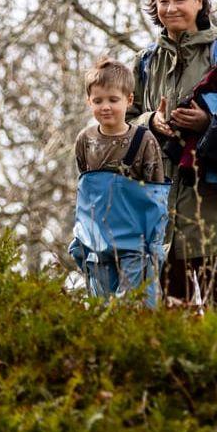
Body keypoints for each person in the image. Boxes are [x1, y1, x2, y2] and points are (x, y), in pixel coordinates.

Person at [131, 0, 217, 307]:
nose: (170, 8)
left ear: (199, 1)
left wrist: (208, 121)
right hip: (157, 214)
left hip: (213, 208)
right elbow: (118, 127)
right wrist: (149, 122)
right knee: (172, 322)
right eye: (162, 1)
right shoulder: (144, 63)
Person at [69, 58, 168, 305]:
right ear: (88, 101)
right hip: (96, 245)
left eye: (113, 100)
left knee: (135, 308)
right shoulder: (84, 140)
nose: (106, 107)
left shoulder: (144, 140)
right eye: (98, 100)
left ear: (129, 100)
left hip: (135, 246)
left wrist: (154, 244)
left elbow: (157, 194)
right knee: (100, 311)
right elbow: (85, 188)